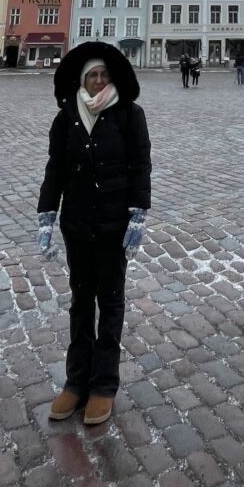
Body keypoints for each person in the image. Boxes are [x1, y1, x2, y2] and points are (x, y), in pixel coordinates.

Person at [37, 43, 151, 428]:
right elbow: (55, 167)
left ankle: (103, 385)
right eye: (92, 75)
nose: (98, 80)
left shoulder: (129, 115)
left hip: (114, 225)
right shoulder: (66, 117)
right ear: (82, 79)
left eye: (103, 74)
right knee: (81, 302)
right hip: (78, 223)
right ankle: (75, 382)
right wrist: (46, 213)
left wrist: (139, 212)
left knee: (111, 301)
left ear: (113, 78)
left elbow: (141, 163)